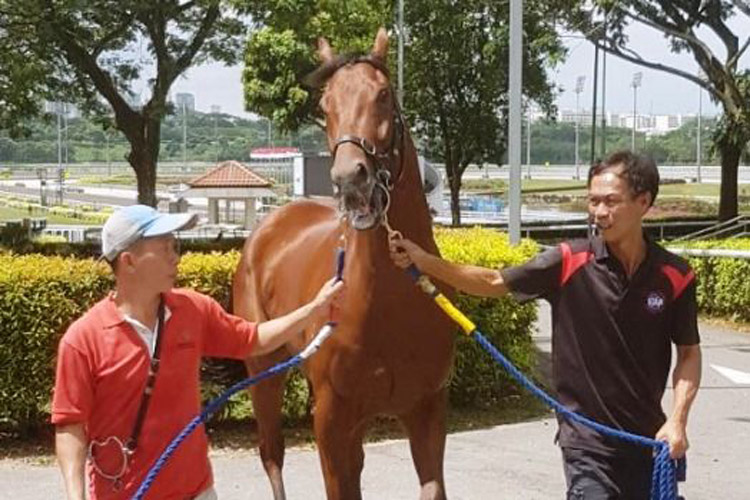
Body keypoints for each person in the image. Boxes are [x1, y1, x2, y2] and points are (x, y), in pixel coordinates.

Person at [390, 151, 701, 499]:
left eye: (611, 202)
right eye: (593, 201)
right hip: (586, 446)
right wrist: (424, 261)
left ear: (644, 202)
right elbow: (493, 281)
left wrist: (677, 419)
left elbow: (688, 353)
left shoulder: (675, 276)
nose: (599, 212)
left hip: (646, 442)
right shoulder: (569, 261)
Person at [52, 204, 345, 500]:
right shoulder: (82, 340)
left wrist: (315, 309)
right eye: (165, 247)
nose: (175, 256)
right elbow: (70, 426)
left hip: (198, 492)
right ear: (129, 261)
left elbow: (253, 338)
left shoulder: (193, 310)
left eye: (175, 245)